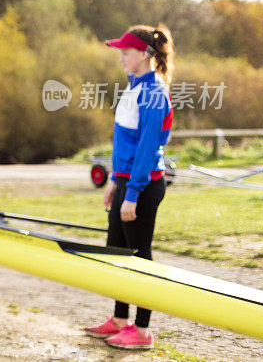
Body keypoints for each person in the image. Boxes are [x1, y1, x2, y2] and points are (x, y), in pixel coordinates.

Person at [84, 25, 174, 350]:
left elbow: (148, 147)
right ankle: (120, 320)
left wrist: (132, 192)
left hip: (145, 185)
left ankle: (143, 330)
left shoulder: (153, 91)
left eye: (126, 51)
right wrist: (113, 180)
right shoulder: (134, 86)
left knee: (139, 256)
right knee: (117, 254)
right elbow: (125, 140)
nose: (120, 57)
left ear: (145, 54)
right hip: (125, 181)